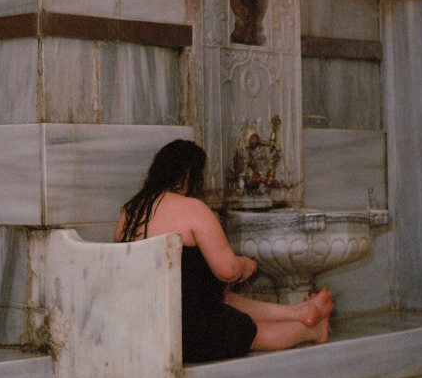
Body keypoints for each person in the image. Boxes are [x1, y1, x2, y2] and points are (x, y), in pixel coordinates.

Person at [114, 139, 333, 364]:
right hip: (187, 333)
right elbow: (227, 271)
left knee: (220, 297)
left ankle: (300, 312)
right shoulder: (192, 209)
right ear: (189, 174)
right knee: (249, 331)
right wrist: (246, 265)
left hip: (145, 326)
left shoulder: (129, 213)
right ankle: (312, 331)